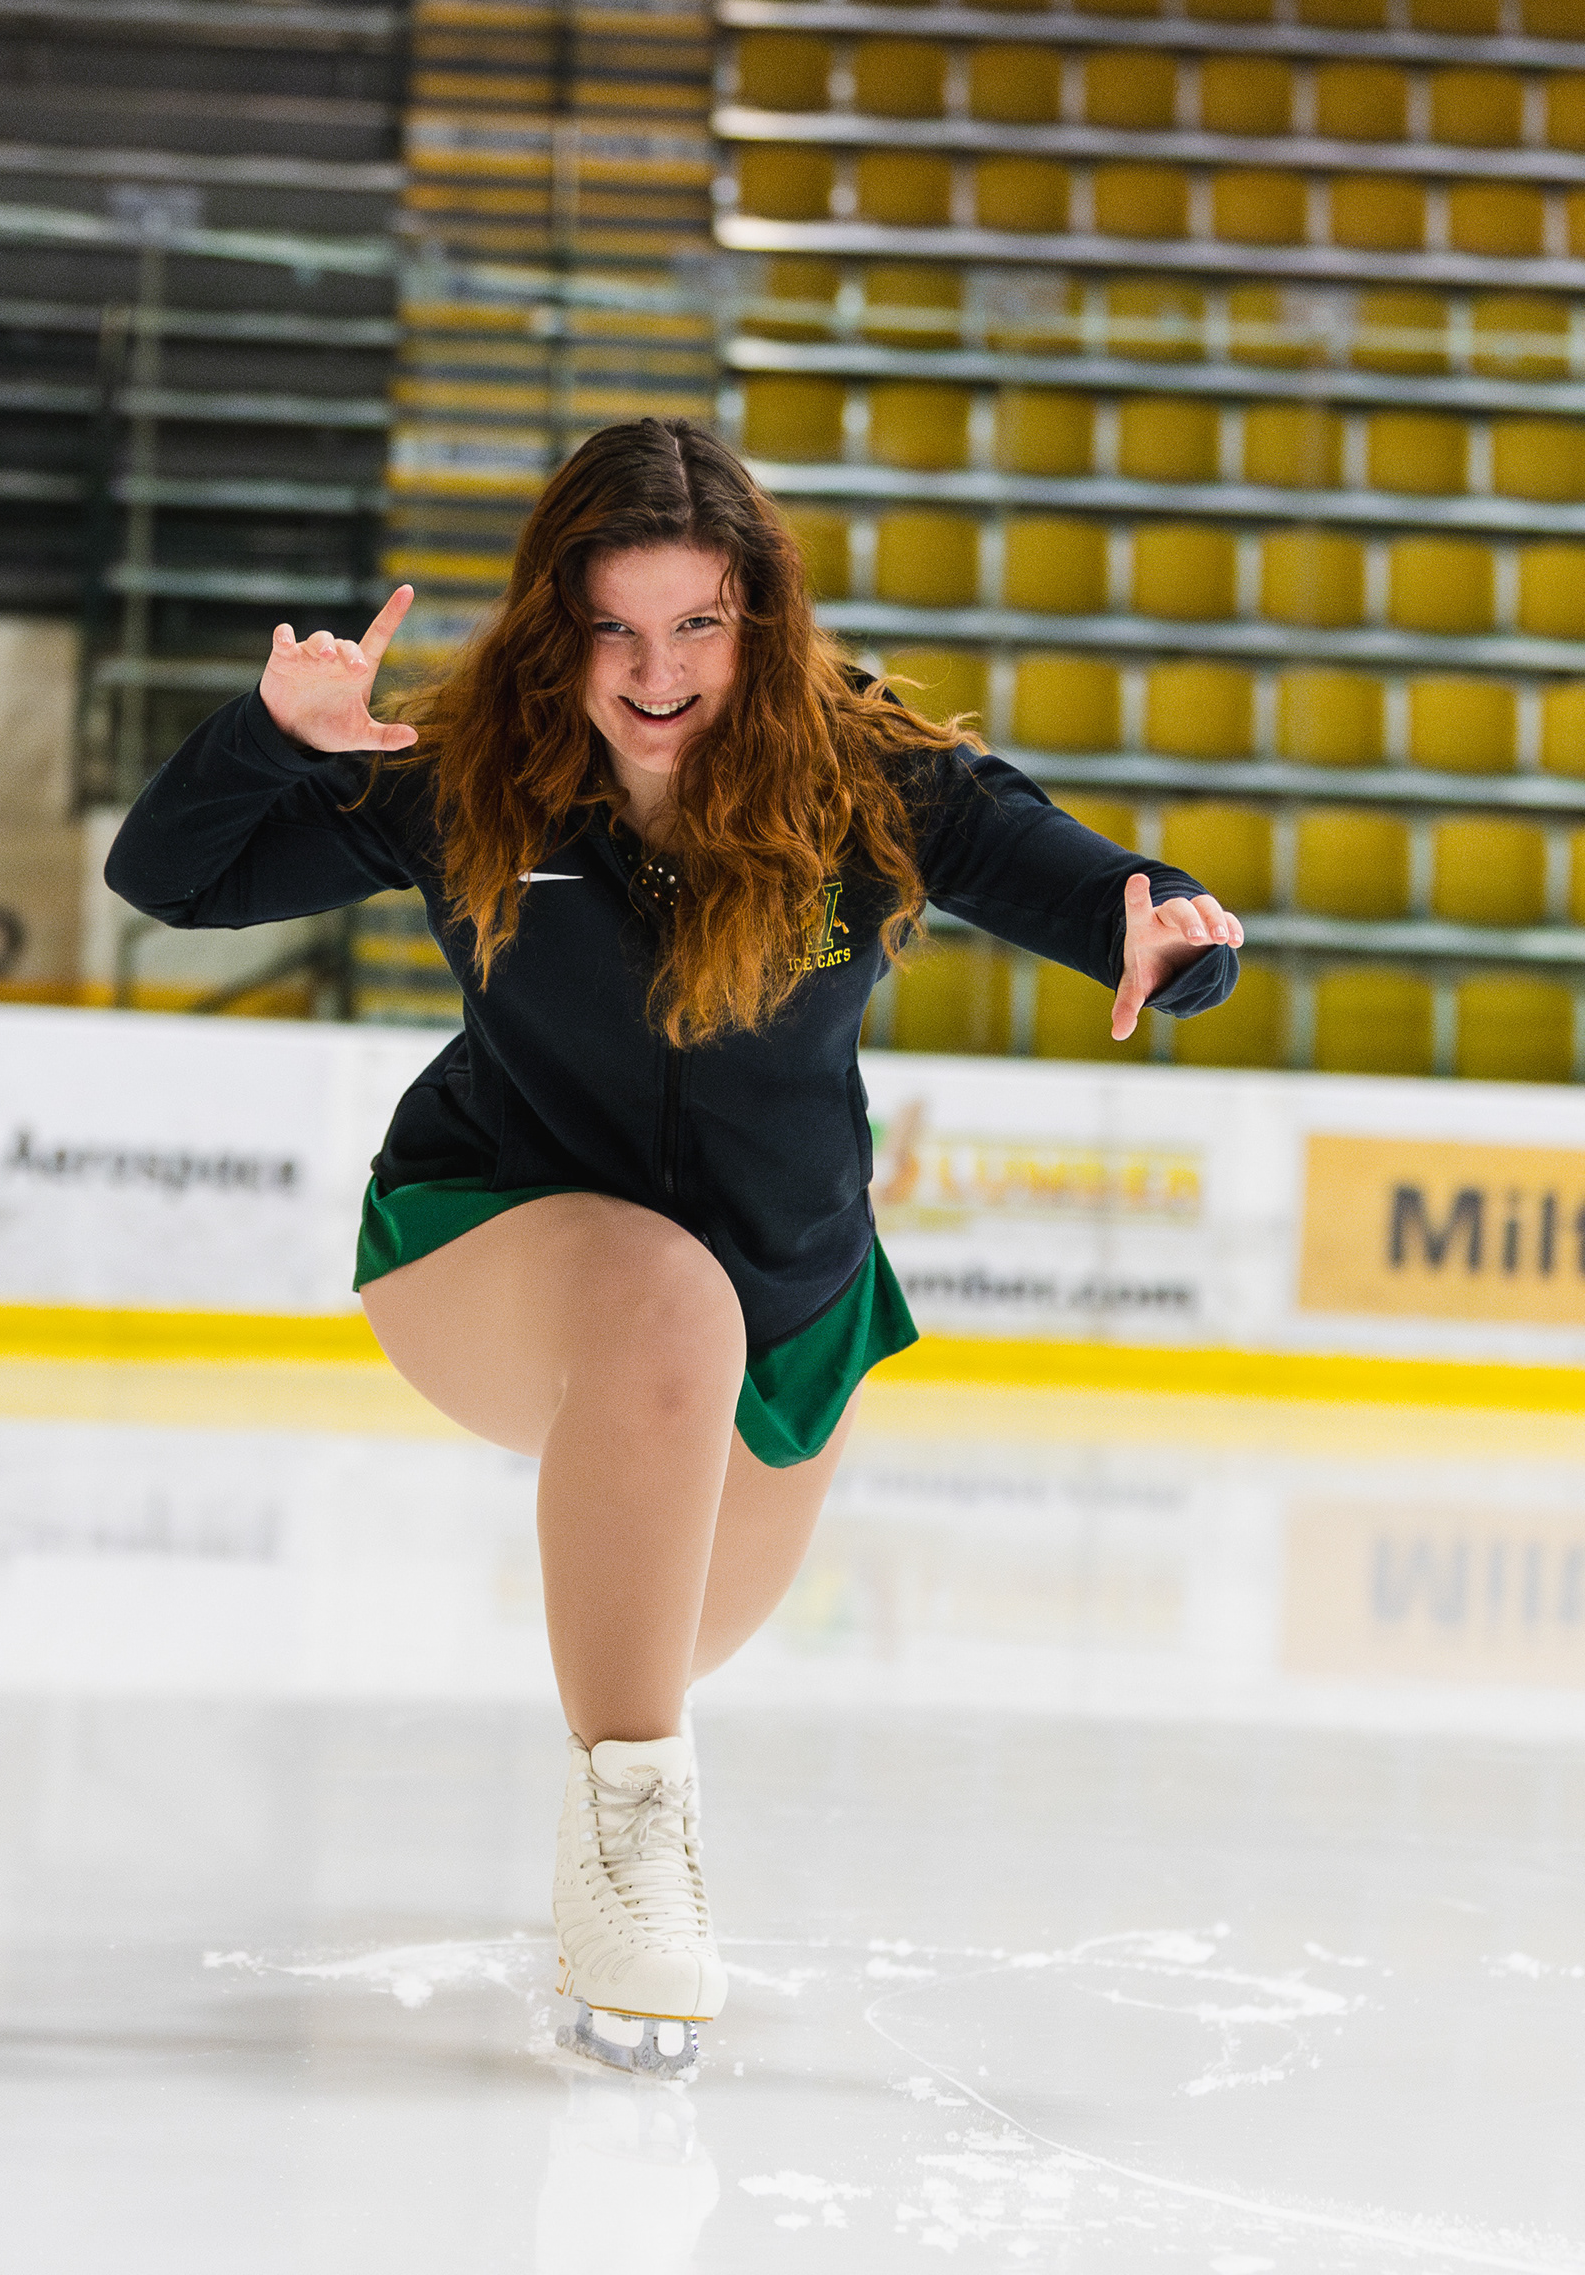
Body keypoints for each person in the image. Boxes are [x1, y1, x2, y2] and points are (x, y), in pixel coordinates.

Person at [105, 418, 1242, 2079]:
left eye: (697, 624)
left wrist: (1174, 934)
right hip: (488, 1237)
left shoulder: (869, 776)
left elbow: (1109, 892)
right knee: (659, 1307)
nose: (656, 674)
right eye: (614, 628)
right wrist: (269, 737)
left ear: (756, 618)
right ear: (556, 623)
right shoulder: (464, 772)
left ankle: (614, 1793)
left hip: (789, 1305)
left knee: (662, 1637)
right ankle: (637, 1856)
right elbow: (171, 879)